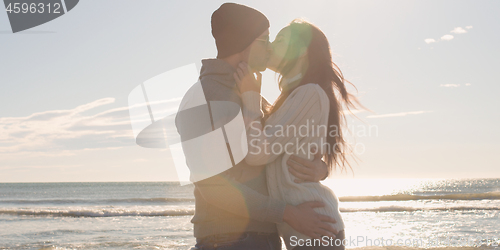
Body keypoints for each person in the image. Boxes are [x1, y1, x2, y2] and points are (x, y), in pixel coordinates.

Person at [175, 3, 340, 250]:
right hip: (230, 240)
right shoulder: (205, 97)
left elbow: (277, 153)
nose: (269, 48)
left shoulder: (252, 95)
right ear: (243, 44)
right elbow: (213, 185)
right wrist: (290, 214)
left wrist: (320, 168)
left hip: (263, 237)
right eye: (264, 41)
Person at [234, 19, 364, 249]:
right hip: (307, 230)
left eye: (280, 39)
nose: (271, 45)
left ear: (302, 51)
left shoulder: (309, 94)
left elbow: (257, 154)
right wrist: (321, 169)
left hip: (316, 230)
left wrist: (251, 101)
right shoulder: (292, 98)